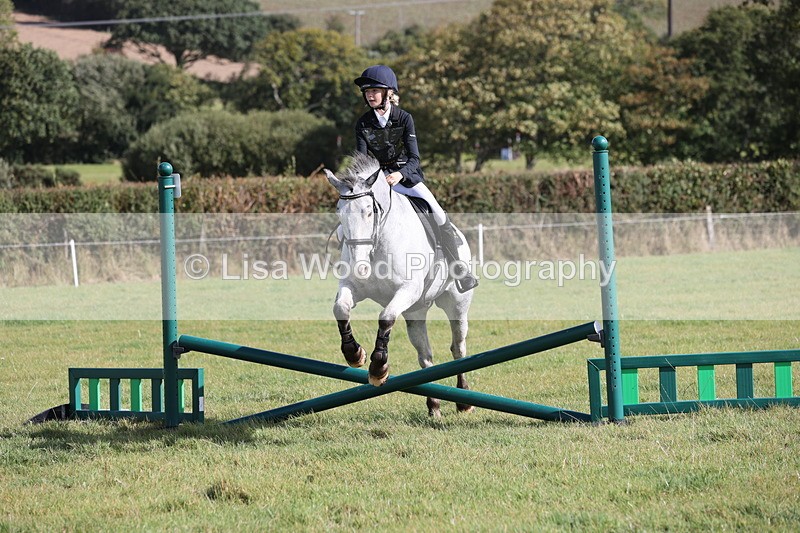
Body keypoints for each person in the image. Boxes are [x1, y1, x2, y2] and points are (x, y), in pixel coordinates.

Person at [353, 65, 479, 293]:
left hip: (407, 180)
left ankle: (458, 268)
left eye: (374, 90)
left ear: (388, 93)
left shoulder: (404, 118)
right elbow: (362, 162)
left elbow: (415, 159)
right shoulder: (363, 123)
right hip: (378, 184)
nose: (370, 95)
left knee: (439, 213)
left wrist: (399, 174)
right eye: (367, 91)